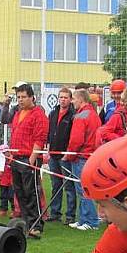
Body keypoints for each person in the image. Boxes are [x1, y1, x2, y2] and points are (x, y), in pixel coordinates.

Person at [7, 83, 48, 239]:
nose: (21, 100)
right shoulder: (18, 114)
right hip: (17, 158)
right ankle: (26, 221)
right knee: (20, 192)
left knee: (32, 193)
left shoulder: (39, 115)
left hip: (29, 159)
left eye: (23, 97)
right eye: (18, 97)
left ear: (32, 97)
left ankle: (36, 224)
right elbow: (15, 135)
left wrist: (32, 159)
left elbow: (40, 138)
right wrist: (11, 155)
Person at [66, 89, 101, 231]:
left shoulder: (81, 116)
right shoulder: (94, 115)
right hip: (91, 156)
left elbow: (76, 139)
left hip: (82, 157)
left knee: (83, 190)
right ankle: (83, 219)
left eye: (73, 99)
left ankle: (91, 221)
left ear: (80, 99)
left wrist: (69, 155)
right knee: (84, 189)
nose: (72, 101)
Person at [47, 87, 76, 224]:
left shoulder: (73, 115)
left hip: (66, 155)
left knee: (69, 186)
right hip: (53, 153)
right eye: (61, 97)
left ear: (70, 99)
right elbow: (49, 132)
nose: (63, 99)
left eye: (65, 97)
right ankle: (55, 212)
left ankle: (70, 215)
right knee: (55, 185)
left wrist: (68, 152)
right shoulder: (53, 113)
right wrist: (48, 148)